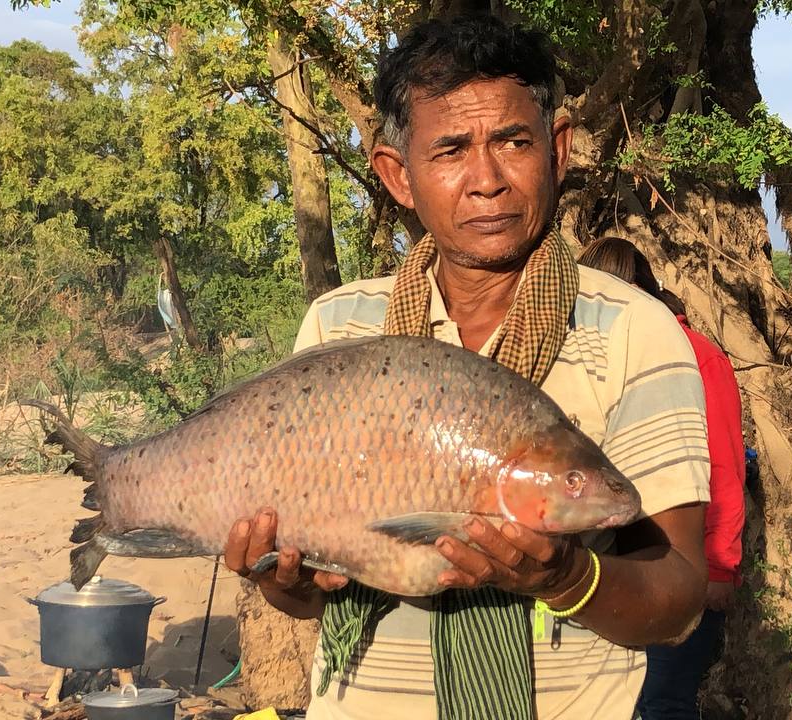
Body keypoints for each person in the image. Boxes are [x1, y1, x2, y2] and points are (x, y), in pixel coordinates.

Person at [222, 15, 712, 720]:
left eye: (513, 142)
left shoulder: (635, 330)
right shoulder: (339, 324)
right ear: (398, 175)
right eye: (451, 149)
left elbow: (679, 598)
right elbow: (310, 597)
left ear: (557, 149)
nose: (487, 181)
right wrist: (282, 577)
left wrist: (567, 576)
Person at [576, 236, 746, 720]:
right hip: (613, 567)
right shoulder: (591, 360)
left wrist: (719, 566)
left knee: (662, 703)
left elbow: (724, 465)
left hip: (679, 565)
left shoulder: (694, 355)